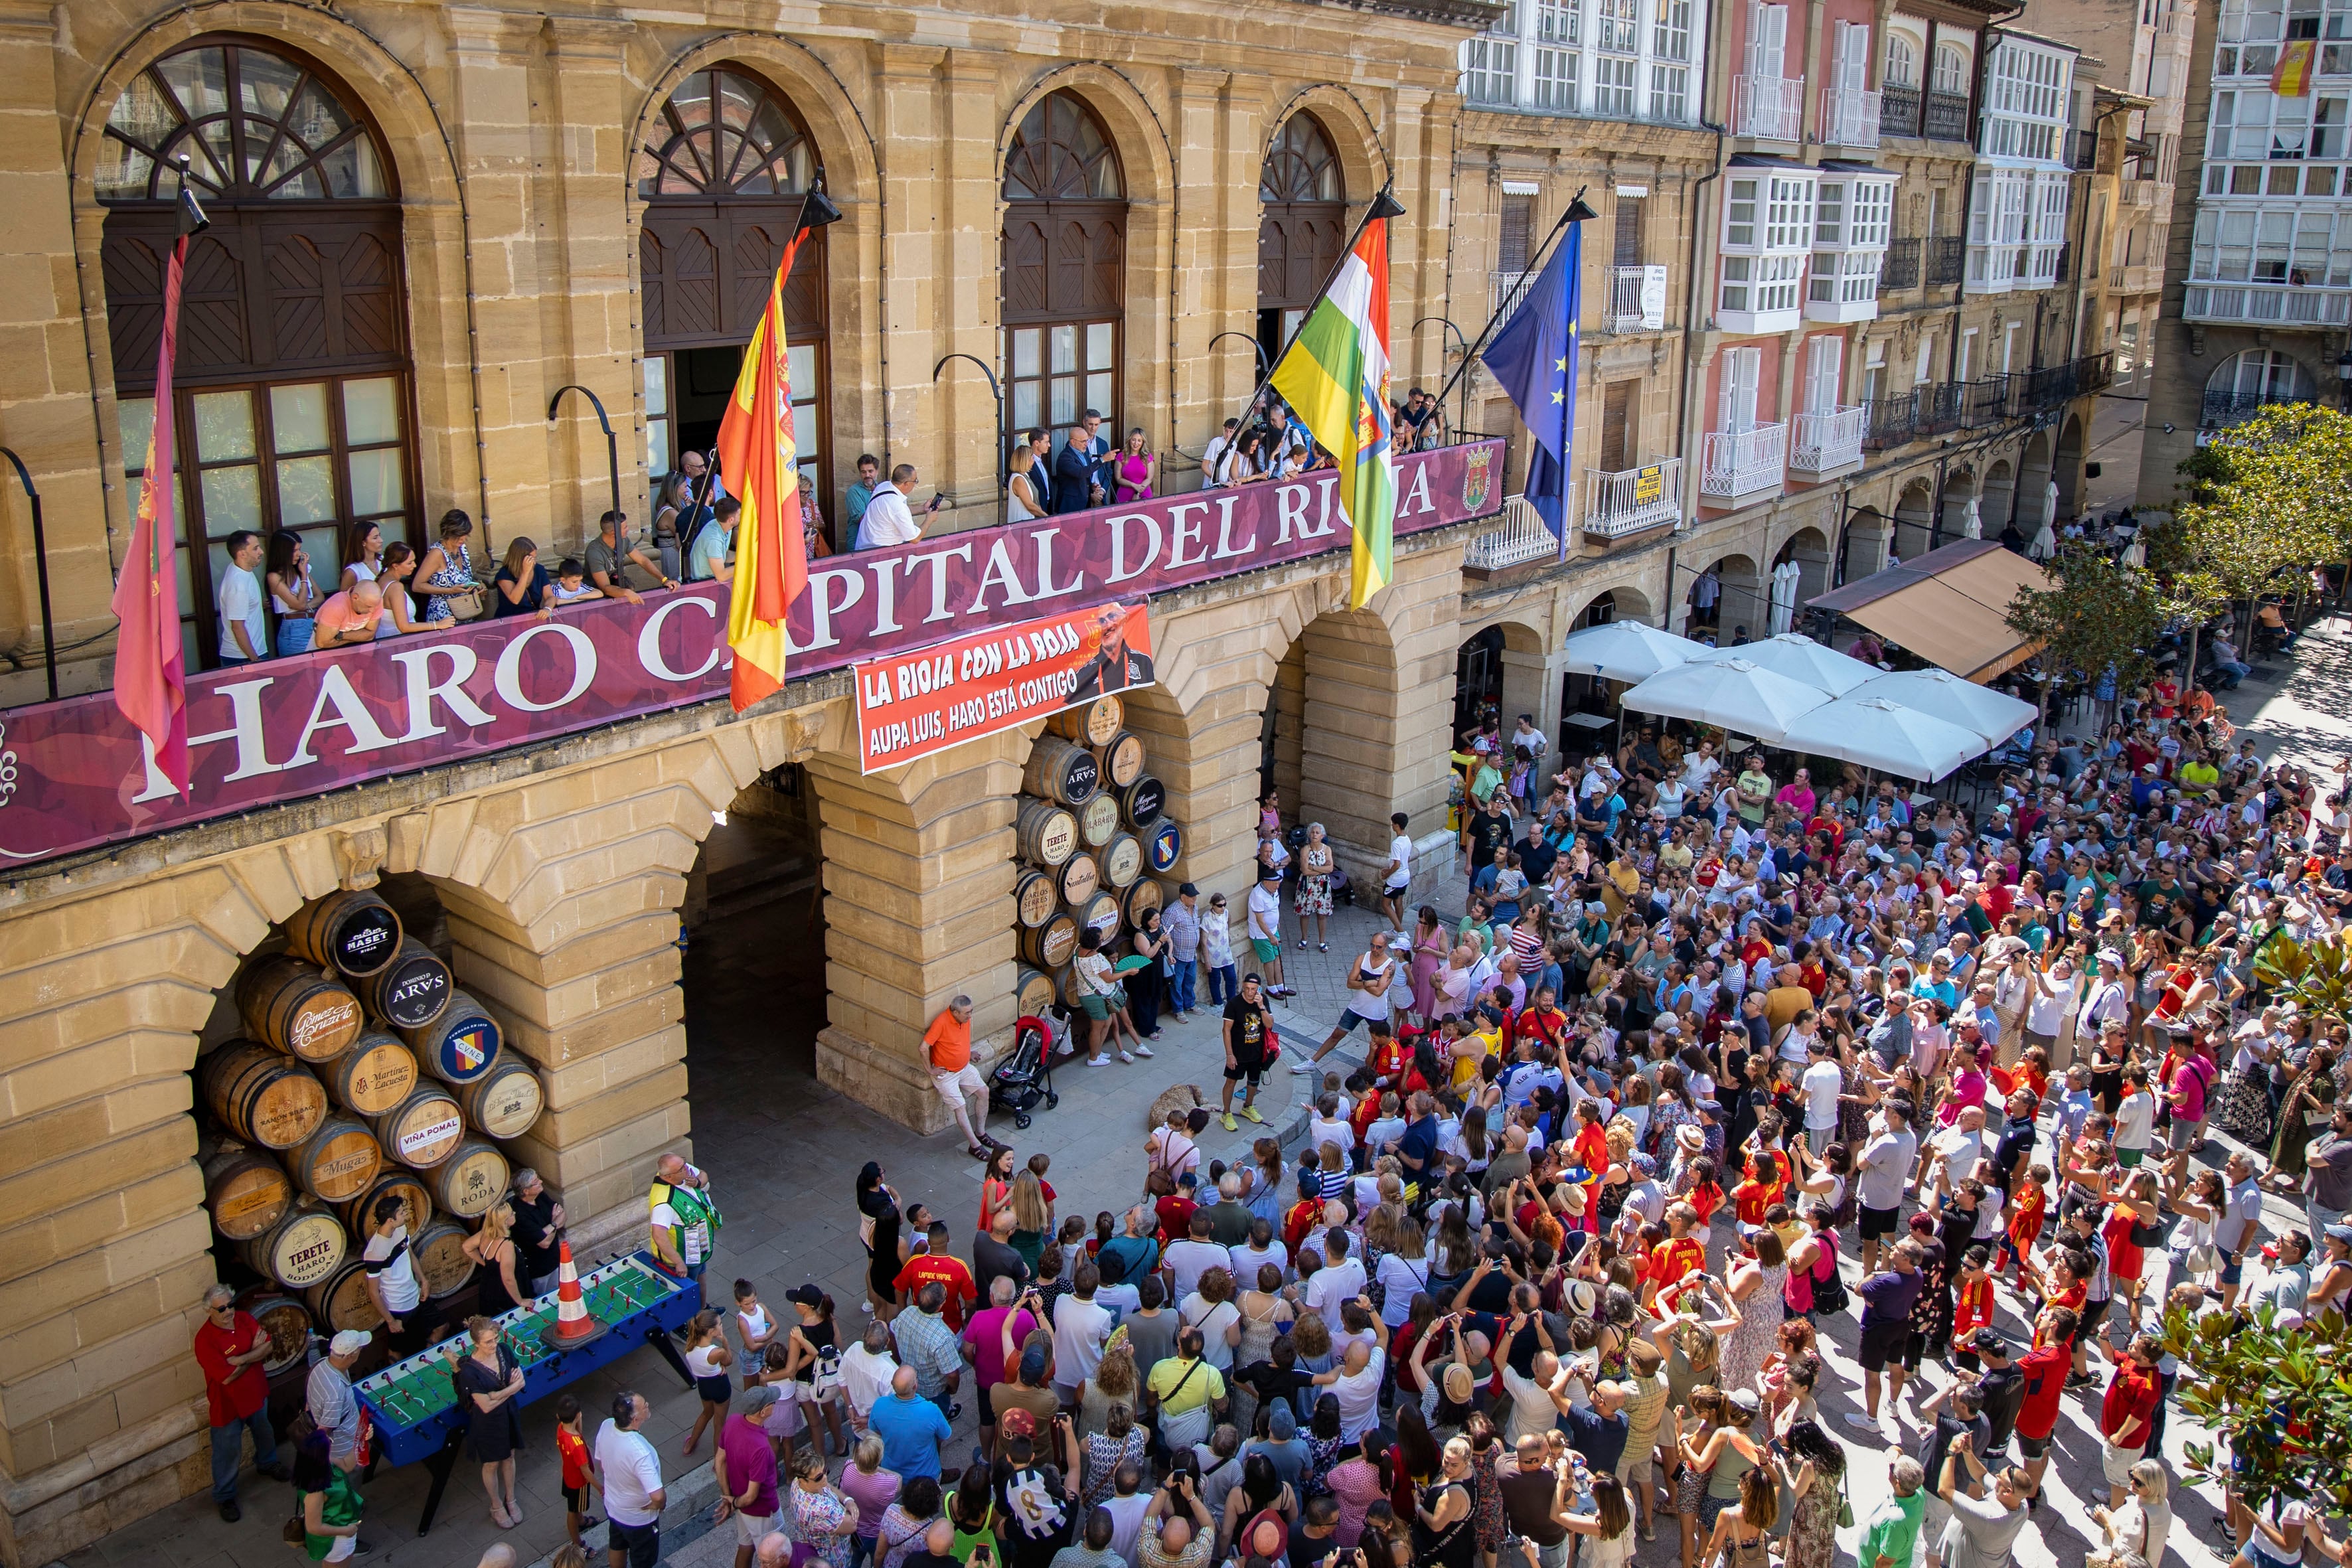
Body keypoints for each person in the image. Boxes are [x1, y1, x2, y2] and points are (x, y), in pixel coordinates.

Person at [194, 1283, 287, 1521]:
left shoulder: (245, 1319)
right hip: (227, 1406)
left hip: (256, 1393)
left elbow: (267, 1346)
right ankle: (225, 1496)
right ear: (209, 1311)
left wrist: (240, 1359)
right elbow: (226, 1377)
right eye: (221, 1309)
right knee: (227, 1451)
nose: (228, 1312)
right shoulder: (205, 1340)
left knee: (264, 1431)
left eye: (231, 1305)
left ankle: (268, 1464)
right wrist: (252, 1356)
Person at [447, 1313, 528, 1528]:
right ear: (475, 1343)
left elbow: (520, 1382)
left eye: (495, 1339)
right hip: (487, 1422)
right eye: (488, 1342)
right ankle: (496, 1505)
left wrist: (497, 1394)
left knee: (509, 1457)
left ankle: (510, 1499)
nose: (494, 1344)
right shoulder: (469, 1371)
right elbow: (485, 1406)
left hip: (508, 1413)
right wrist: (509, 1390)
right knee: (491, 1463)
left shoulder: (504, 1351)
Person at [717, 1385, 787, 1568]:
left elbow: (720, 1461)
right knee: (774, 1557)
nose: (775, 1404)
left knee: (745, 1546)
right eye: (772, 1403)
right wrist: (733, 1502)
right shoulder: (761, 1448)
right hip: (763, 1510)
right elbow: (751, 1496)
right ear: (763, 1411)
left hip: (741, 1505)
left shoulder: (732, 1422)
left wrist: (729, 1497)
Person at [597, 1390, 668, 1568]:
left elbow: (600, 1462)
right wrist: (658, 1505)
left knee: (617, 1545)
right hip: (638, 1520)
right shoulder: (639, 1452)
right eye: (645, 1406)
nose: (648, 1407)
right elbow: (658, 1496)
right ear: (635, 1419)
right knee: (643, 1560)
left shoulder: (607, 1425)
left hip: (614, 1507)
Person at [925, 996, 995, 1160]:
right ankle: (975, 1146)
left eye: (971, 1011)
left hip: (963, 1067)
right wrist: (929, 1069)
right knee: (960, 1106)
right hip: (946, 1074)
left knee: (984, 1091)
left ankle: (981, 1133)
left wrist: (967, 1053)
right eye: (967, 1013)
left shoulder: (964, 1019)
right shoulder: (941, 1022)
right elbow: (923, 1047)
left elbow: (959, 1040)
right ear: (955, 1012)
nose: (970, 1016)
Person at [360, 1191, 427, 1354]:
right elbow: (373, 1292)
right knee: (397, 1350)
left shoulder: (401, 1229)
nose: (405, 1214)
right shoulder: (375, 1252)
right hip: (398, 1307)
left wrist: (423, 1281)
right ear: (391, 1220)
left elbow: (410, 1255)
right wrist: (391, 1321)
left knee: (433, 1332)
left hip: (415, 1295)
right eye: (401, 1212)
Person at [651, 1153, 722, 1304]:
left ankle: (703, 1310)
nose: (686, 1169)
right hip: (686, 1254)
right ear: (669, 1176)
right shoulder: (664, 1203)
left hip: (698, 1246)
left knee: (701, 1274)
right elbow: (658, 1235)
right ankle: (694, 1322)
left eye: (684, 1164)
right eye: (681, 1168)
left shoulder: (681, 1172)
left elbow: (703, 1174)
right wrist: (678, 1262)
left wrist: (698, 1182)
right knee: (689, 1291)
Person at [870, 1364, 955, 1480]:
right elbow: (944, 1435)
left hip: (892, 1474)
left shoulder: (879, 1405)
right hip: (927, 1476)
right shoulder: (931, 1410)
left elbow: (875, 1429)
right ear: (915, 1386)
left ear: (892, 1383)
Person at [1221, 972, 1275, 1131]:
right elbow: (1226, 1030)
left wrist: (1262, 1007)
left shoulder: (1262, 1000)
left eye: (1253, 989)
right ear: (1243, 987)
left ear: (1258, 989)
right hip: (1238, 1053)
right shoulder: (1234, 1004)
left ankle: (1248, 1107)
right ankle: (1226, 1113)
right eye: (1247, 989)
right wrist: (1229, 1054)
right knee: (1231, 1081)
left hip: (1256, 1052)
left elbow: (1270, 1025)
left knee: (1253, 1081)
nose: (1250, 992)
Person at [588, 508, 674, 603]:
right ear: (614, 532)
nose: (628, 529)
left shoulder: (623, 540)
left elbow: (643, 561)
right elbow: (605, 587)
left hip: (617, 586)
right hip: (596, 598)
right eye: (625, 527)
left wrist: (664, 579)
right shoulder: (594, 552)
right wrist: (626, 593)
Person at [416, 509, 483, 623]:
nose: (463, 538)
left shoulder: (462, 548)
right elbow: (417, 585)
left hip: (465, 612)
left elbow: (464, 579)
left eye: (465, 534)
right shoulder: (437, 553)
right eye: (459, 535)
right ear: (449, 532)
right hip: (444, 615)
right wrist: (449, 591)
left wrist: (477, 586)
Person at [510, 1167, 566, 1296]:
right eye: (536, 1182)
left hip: (556, 1261)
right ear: (526, 1191)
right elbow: (544, 1243)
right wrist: (554, 1222)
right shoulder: (520, 1214)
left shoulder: (540, 1196)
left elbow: (562, 1214)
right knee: (545, 1302)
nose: (541, 1182)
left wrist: (551, 1226)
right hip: (539, 1271)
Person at [856, 464, 937, 549]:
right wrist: (929, 520)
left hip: (865, 549)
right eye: (915, 481)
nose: (915, 484)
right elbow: (915, 539)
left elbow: (897, 511)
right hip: (878, 553)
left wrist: (923, 508)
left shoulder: (884, 486)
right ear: (906, 484)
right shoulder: (896, 504)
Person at [266, 530, 321, 655]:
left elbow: (319, 596)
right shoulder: (274, 577)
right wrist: (303, 578)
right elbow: (299, 605)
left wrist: (305, 606)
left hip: (313, 624)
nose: (299, 554)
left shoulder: (302, 569)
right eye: (294, 551)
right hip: (294, 630)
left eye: (299, 550)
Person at [1247, 870, 1293, 1000]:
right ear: (1266, 882)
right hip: (1261, 934)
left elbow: (1275, 907)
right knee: (1269, 960)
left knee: (1277, 956)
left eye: (1278, 883)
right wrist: (1271, 936)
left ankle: (1280, 985)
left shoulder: (1273, 890)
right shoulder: (1258, 895)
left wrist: (1276, 922)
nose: (1277, 886)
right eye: (1275, 884)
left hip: (1273, 930)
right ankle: (1271, 987)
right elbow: (1260, 920)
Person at [1054, 415, 1109, 512]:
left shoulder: (1082, 453)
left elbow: (1085, 475)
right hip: (1070, 507)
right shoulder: (1065, 457)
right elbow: (1081, 472)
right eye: (1083, 441)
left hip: (1084, 506)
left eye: (1087, 441)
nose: (1086, 444)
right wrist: (1103, 459)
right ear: (1073, 442)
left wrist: (1092, 486)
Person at [493, 536, 553, 619]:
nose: (534, 562)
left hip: (532, 618)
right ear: (520, 558)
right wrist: (525, 573)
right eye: (531, 558)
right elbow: (515, 599)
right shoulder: (504, 574)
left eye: (535, 558)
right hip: (509, 621)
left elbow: (550, 596)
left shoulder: (539, 569)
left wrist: (547, 609)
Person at [313, 580, 385, 647]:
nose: (372, 611)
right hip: (325, 653)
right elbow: (322, 643)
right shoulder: (336, 607)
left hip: (356, 649)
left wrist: (340, 635)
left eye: (374, 607)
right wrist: (358, 638)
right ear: (355, 598)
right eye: (368, 606)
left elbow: (370, 636)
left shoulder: (375, 602)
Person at [689, 497, 740, 584]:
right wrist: (748, 564)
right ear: (731, 520)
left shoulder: (720, 525)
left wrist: (749, 557)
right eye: (740, 515)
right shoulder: (713, 539)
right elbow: (721, 576)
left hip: (711, 581)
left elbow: (724, 555)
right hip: (702, 585)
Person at [1381, 811, 1415, 933]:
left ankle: (1401, 932)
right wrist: (1390, 868)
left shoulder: (1396, 844)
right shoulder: (1407, 839)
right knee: (1398, 902)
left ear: (1397, 825)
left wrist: (1387, 874)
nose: (1392, 826)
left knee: (1386, 904)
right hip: (1405, 875)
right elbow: (1406, 859)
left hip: (1396, 878)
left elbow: (1397, 864)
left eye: (1393, 824)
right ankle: (1396, 930)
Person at [1008, 431, 1050, 522]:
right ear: (1025, 460)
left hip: (1030, 522)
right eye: (1032, 458)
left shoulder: (1025, 475)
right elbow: (1030, 505)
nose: (1033, 460)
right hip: (1021, 525)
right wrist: (1046, 517)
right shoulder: (1018, 479)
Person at [1111, 428, 1156, 503]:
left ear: (1143, 442)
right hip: (1125, 494)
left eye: (1139, 440)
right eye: (1133, 440)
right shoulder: (1121, 456)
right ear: (1129, 440)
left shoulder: (1148, 457)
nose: (1136, 443)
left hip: (1144, 493)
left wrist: (1137, 492)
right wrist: (1134, 486)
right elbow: (1118, 479)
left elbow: (1149, 479)